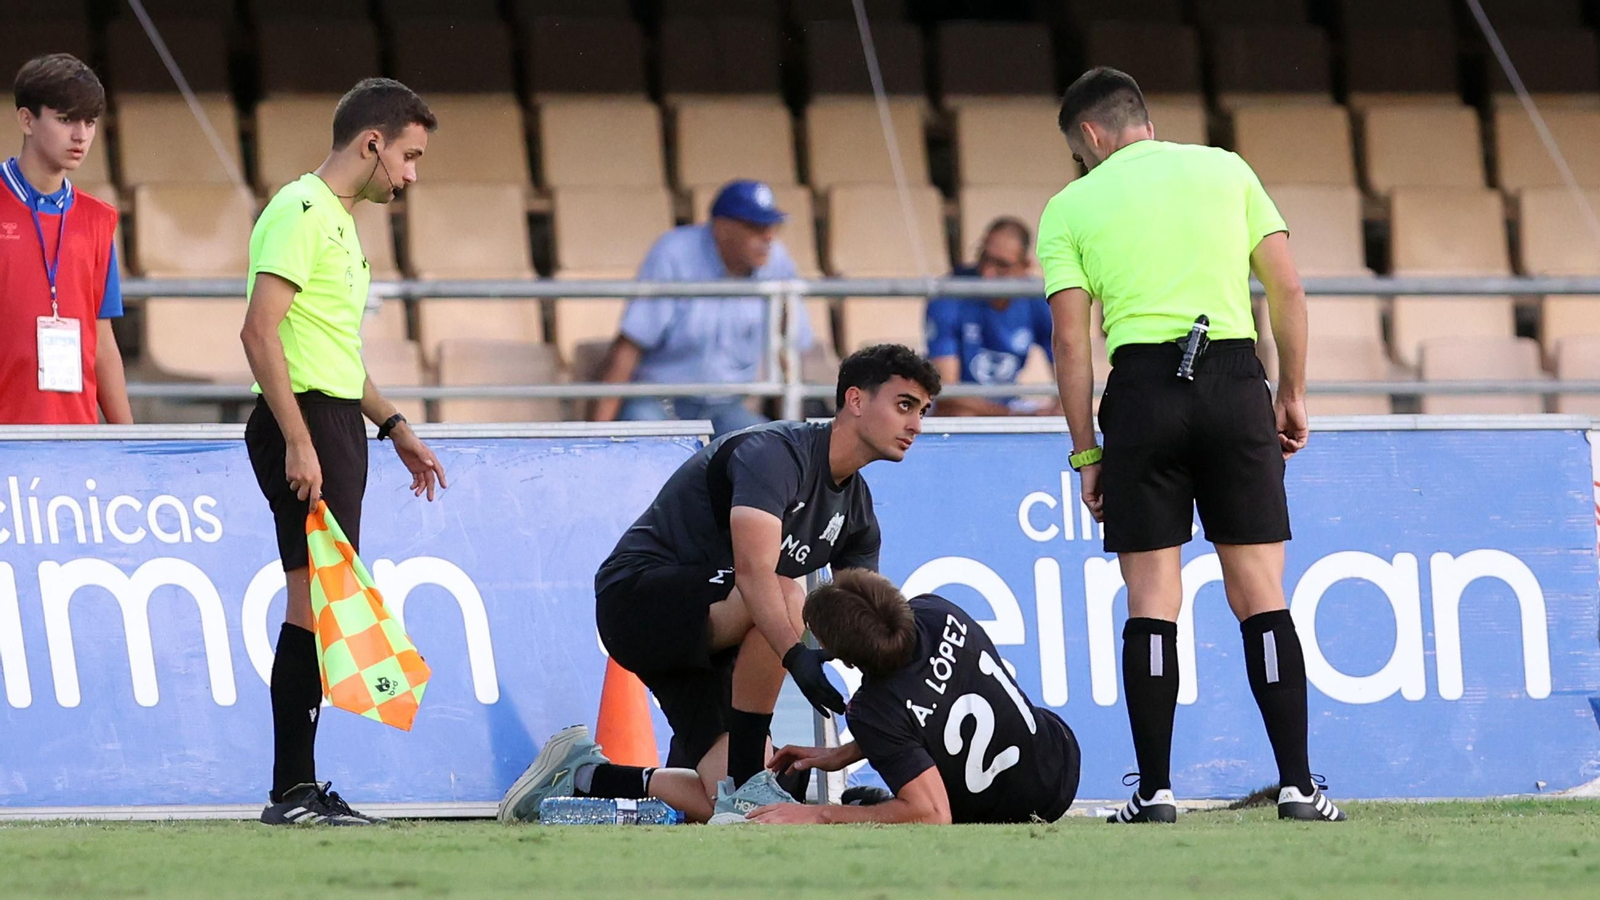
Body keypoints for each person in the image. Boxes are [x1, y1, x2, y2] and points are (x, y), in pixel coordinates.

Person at [1038, 67, 1342, 823]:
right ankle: (1300, 787)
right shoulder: (1227, 169)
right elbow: (1289, 291)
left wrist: (1087, 452)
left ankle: (1157, 792)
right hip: (1236, 377)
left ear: (1090, 136)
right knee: (1260, 593)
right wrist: (1291, 394)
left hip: (1141, 388)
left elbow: (1071, 346)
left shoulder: (1069, 206)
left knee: (1151, 601)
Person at [499, 344, 942, 825]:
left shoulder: (857, 513)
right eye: (904, 405)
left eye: (922, 411)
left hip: (712, 637)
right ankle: (748, 783)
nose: (916, 424)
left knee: (727, 799)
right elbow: (754, 576)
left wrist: (879, 727)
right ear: (855, 400)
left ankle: (582, 775)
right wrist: (797, 656)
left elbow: (867, 631)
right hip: (639, 600)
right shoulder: (774, 456)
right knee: (785, 591)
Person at [241, 78, 449, 827]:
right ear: (372, 143)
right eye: (409, 155)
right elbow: (259, 333)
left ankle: (298, 788)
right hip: (306, 428)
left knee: (321, 608)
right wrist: (299, 440)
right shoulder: (299, 212)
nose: (412, 174)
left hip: (334, 426)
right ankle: (291, 792)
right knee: (310, 605)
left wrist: (395, 427)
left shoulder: (337, 221)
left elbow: (332, 351)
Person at [742, 568, 1082, 825]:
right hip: (1061, 753)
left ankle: (881, 801)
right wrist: (843, 754)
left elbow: (933, 813)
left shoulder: (872, 709)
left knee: (901, 806)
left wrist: (819, 814)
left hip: (1016, 811)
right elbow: (932, 707)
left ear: (844, 658)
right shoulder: (937, 612)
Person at [590, 179, 813, 436]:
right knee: (647, 447)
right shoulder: (674, 253)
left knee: (771, 451)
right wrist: (595, 440)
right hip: (661, 402)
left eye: (772, 227)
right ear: (722, 228)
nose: (768, 237)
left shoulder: (777, 259)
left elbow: (792, 350)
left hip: (726, 408)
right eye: (755, 227)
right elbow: (628, 347)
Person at [0, 53, 130, 426]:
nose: (81, 135)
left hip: (75, 445)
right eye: (65, 119)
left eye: (89, 122)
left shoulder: (98, 219)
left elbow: (103, 342)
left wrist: (130, 442)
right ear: (27, 119)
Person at [926, 217, 1057, 417]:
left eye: (1002, 265)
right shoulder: (949, 294)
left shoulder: (1037, 298)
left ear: (1025, 267)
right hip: (964, 412)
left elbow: (1068, 368)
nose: (987, 273)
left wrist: (1059, 410)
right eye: (983, 258)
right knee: (960, 416)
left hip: (1010, 405)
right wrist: (1013, 418)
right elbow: (947, 395)